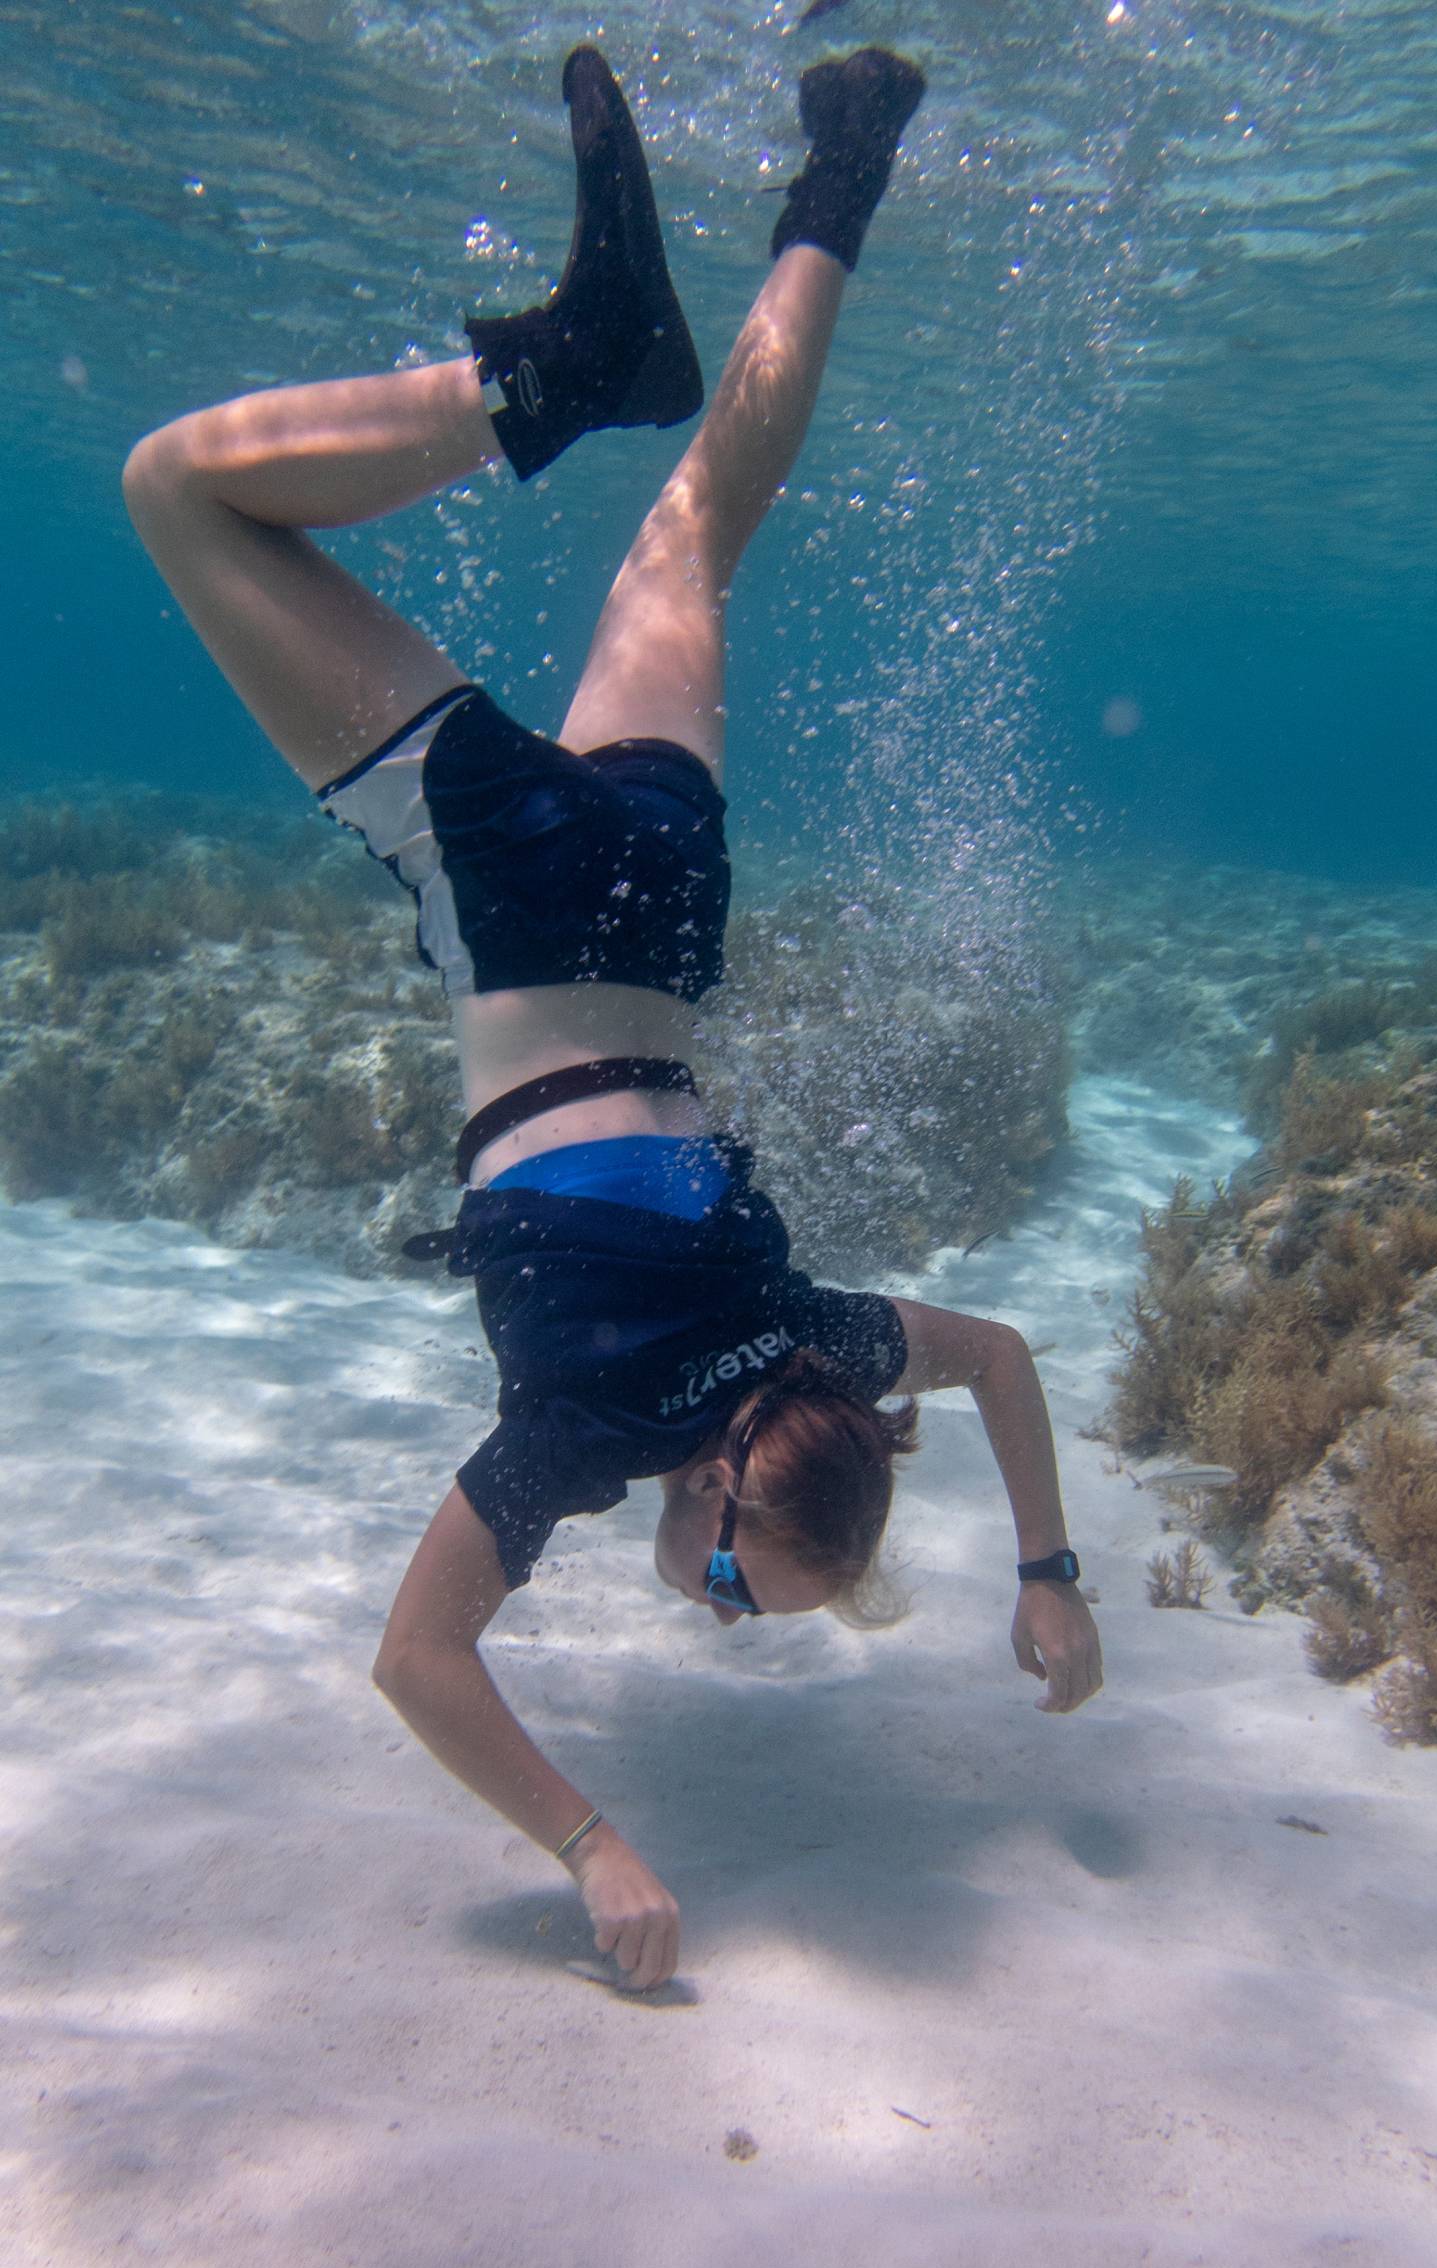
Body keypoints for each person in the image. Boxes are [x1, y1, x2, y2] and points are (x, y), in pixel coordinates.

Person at [123, 44, 1103, 1991]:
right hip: (516, 897)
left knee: (699, 522)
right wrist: (592, 1844)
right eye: (740, 1575)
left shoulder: (822, 1340)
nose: (718, 1605)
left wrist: (1049, 1574)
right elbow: (418, 1659)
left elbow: (997, 1363)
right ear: (728, 1477)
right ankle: (553, 371)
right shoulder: (589, 1428)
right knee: (184, 496)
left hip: (664, 904)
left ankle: (846, 158)